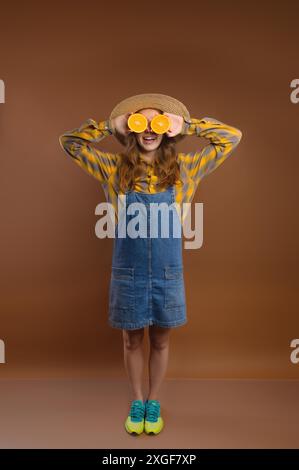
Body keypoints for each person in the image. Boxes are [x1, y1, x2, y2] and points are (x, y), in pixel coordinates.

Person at [59, 93, 242, 436]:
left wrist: (186, 125)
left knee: (159, 341)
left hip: (167, 273)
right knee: (131, 341)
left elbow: (231, 138)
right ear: (130, 130)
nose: (148, 129)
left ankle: (154, 401)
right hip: (127, 273)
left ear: (166, 130)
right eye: (138, 121)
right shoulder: (113, 169)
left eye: (156, 121)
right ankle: (138, 400)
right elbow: (70, 144)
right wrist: (107, 126)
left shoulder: (185, 169)